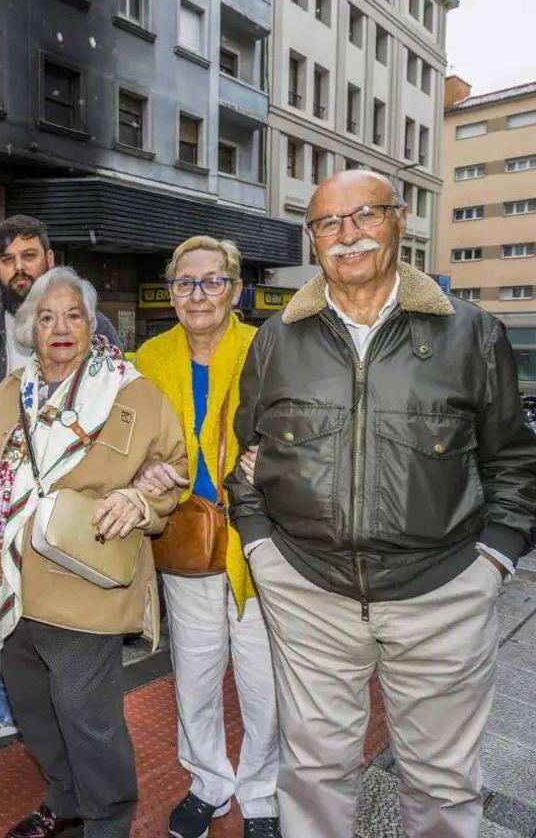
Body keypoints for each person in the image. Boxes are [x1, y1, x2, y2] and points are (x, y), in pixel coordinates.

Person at [226, 170, 536, 837]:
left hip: (443, 593)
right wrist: (260, 547)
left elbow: (512, 457)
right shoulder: (277, 337)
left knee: (444, 782)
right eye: (328, 224)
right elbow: (248, 453)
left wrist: (495, 559)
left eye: (364, 215)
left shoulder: (469, 333)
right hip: (309, 592)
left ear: (400, 221)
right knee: (311, 772)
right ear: (312, 239)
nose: (348, 235)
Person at [0, 266, 187, 838]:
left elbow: (174, 472)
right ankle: (66, 799)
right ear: (30, 327)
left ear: (90, 322)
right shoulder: (10, 390)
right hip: (13, 581)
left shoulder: (132, 392)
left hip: (85, 580)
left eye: (72, 315)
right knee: (32, 707)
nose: (59, 327)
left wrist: (140, 500)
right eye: (46, 316)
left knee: (87, 716)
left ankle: (107, 821)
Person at [0, 214, 122, 752]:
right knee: (4, 610)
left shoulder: (98, 328)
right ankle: (2, 706)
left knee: (62, 624)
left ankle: (64, 725)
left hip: (67, 508)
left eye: (29, 255)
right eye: (7, 259)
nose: (18, 268)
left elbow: (119, 415)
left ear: (50, 258)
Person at [133, 237, 279, 838]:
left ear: (235, 290)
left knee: (263, 676)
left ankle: (263, 793)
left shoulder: (267, 346)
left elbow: (298, 424)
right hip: (186, 536)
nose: (199, 295)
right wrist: (141, 469)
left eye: (212, 281)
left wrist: (273, 455)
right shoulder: (148, 357)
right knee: (194, 671)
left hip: (258, 535)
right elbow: (129, 438)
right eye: (185, 283)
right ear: (171, 294)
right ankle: (208, 783)